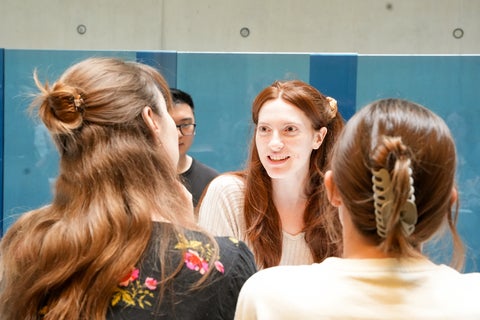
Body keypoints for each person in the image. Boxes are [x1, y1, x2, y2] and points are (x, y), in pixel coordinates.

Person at [0, 57, 257, 320]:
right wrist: (185, 228)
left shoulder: (27, 245)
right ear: (151, 121)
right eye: (168, 114)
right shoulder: (218, 264)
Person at [234, 98, 480, 319]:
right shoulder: (472, 301)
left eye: (289, 130)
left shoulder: (268, 298)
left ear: (332, 190)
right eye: (264, 129)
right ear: (449, 202)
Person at [198, 80, 345, 269]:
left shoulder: (339, 202)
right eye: (265, 129)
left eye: (290, 130)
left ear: (318, 137)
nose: (274, 144)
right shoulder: (227, 194)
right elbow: (214, 288)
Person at [169, 88, 219, 207]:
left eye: (186, 125)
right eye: (170, 125)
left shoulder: (211, 182)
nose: (179, 134)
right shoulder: (138, 178)